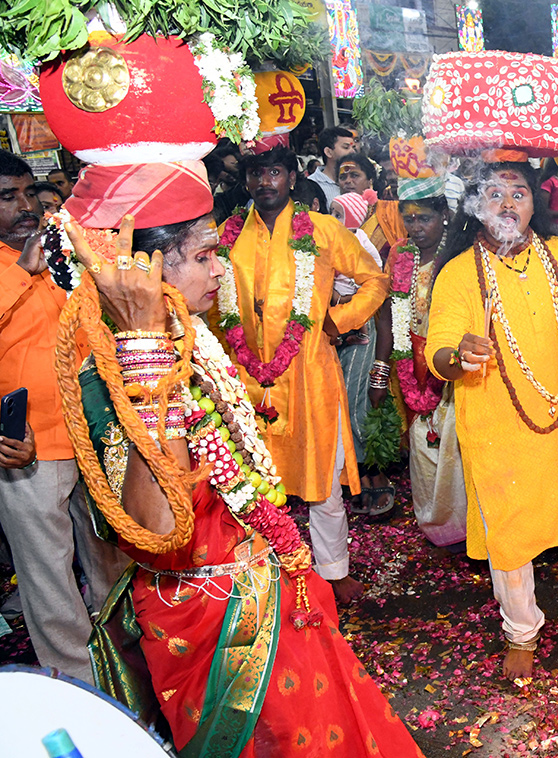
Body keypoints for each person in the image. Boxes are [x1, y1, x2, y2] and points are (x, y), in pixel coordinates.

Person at [57, 204, 424, 757]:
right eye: (204, 257)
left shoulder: (192, 338)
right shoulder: (111, 372)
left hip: (266, 580)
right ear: (143, 270)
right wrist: (142, 348)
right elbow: (157, 527)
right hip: (207, 612)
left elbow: (221, 430)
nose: (221, 271)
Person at [424, 160, 558, 680]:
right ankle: (521, 631)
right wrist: (460, 355)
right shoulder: (459, 273)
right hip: (495, 427)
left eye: (518, 193)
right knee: (510, 530)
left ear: (534, 203)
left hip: (557, 418)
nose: (507, 204)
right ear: (476, 205)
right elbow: (439, 352)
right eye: (494, 194)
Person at [214, 146, 386, 605]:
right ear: (246, 181)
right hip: (246, 379)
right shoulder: (225, 237)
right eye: (256, 173)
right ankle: (266, 568)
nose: (265, 181)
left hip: (310, 372)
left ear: (293, 176)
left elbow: (375, 280)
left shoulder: (325, 230)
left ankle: (333, 571)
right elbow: (212, 301)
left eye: (274, 171)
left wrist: (341, 319)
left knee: (323, 480)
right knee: (252, 481)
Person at [0, 150, 127, 684]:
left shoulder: (56, 252)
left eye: (30, 193)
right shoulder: (22, 265)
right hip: (27, 449)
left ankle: (128, 674)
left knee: (113, 564)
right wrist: (22, 276)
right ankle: (83, 697)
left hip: (90, 435)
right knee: (49, 581)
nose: (26, 206)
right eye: (9, 198)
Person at [372, 181, 468, 547]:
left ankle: (467, 528)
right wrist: (381, 372)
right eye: (409, 219)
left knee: (456, 448)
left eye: (425, 218)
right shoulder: (400, 254)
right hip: (410, 363)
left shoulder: (458, 254)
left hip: (454, 363)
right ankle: (439, 529)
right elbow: (387, 316)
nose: (416, 227)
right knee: (422, 446)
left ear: (444, 216)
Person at [329, 191, 390, 518]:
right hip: (337, 332)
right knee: (342, 405)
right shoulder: (332, 243)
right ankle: (356, 474)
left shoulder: (361, 246)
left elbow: (373, 294)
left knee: (356, 403)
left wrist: (337, 298)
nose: (332, 221)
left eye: (339, 216)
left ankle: (370, 473)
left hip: (363, 331)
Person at [312, 126, 356, 206]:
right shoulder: (312, 184)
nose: (352, 152)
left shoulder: (359, 180)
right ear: (328, 152)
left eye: (353, 147)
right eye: (346, 147)